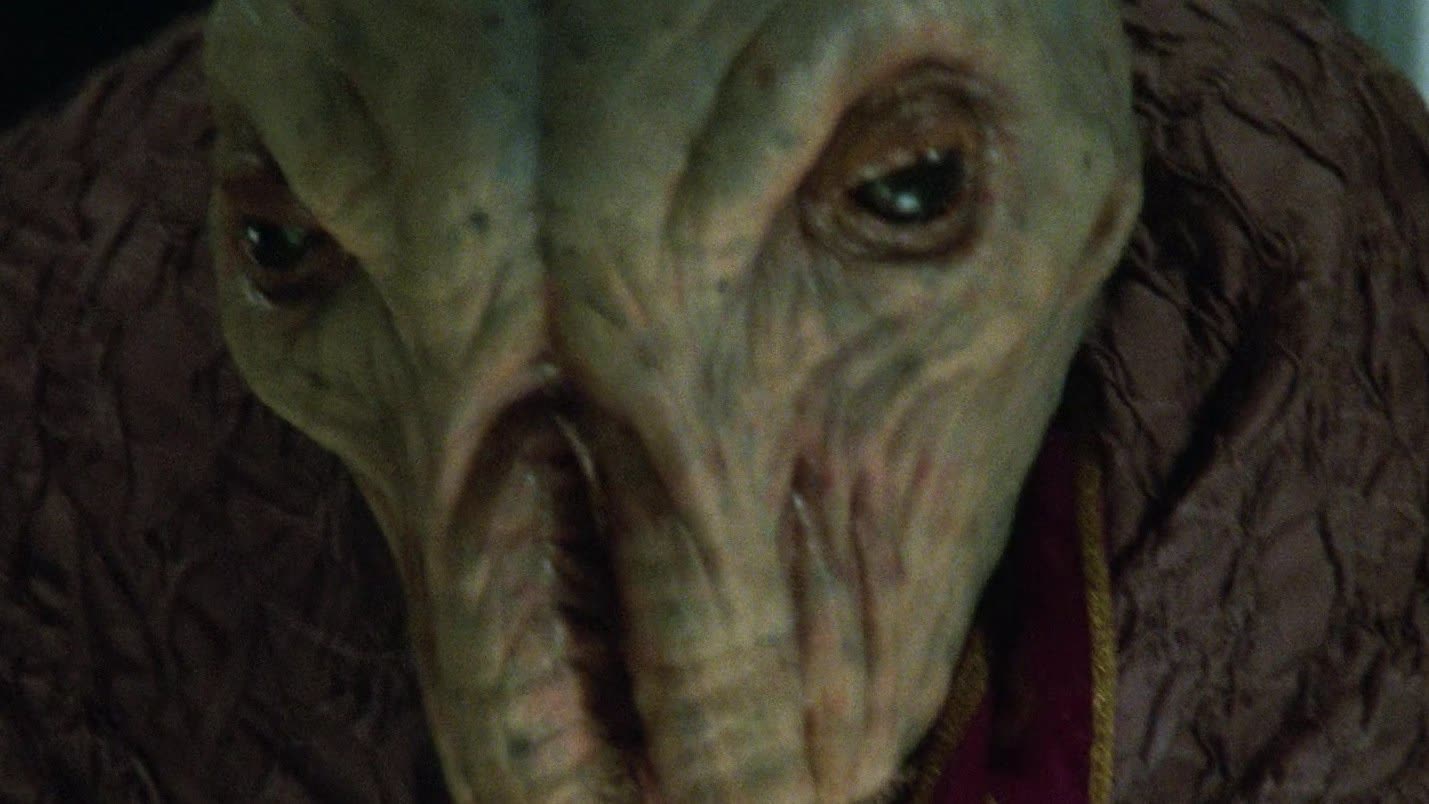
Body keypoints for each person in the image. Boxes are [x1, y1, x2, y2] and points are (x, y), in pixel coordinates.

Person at [0, 0, 1425, 800]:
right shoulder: (67, 329)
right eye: (284, 249)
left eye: (907, 192)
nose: (543, 758)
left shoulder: (1350, 285)